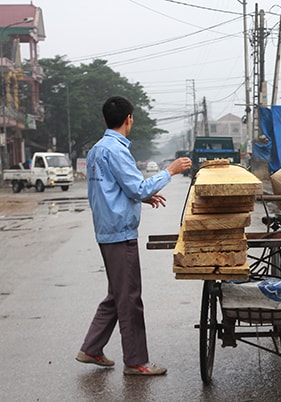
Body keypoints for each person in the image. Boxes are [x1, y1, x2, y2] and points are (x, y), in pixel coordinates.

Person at [76, 96, 192, 376]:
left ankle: (91, 348)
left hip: (107, 230)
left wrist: (142, 197)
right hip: (119, 233)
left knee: (118, 294)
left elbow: (112, 189)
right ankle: (136, 361)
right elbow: (136, 187)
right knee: (129, 298)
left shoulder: (96, 150)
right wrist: (170, 171)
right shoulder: (115, 150)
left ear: (106, 119)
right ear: (129, 119)